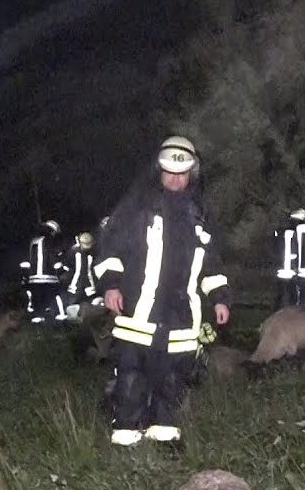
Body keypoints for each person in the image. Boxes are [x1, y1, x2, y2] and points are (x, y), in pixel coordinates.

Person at [94, 136, 231, 446]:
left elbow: (211, 265)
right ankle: (126, 433)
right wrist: (111, 285)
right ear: (158, 171)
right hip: (138, 311)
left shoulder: (201, 216)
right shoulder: (136, 208)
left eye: (181, 173)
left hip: (182, 316)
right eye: (169, 172)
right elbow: (110, 250)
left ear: (192, 175)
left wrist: (220, 298)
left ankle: (163, 430)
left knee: (171, 375)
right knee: (131, 374)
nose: (175, 179)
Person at [19, 219, 66, 323]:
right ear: (52, 231)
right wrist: (60, 270)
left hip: (34, 277)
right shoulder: (50, 242)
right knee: (55, 295)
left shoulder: (33, 242)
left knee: (38, 296)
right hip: (49, 276)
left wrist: (25, 275)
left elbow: (28, 259)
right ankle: (60, 314)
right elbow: (52, 257)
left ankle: (38, 315)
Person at [61, 231, 100, 318]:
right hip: (74, 285)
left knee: (89, 306)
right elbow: (67, 268)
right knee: (72, 305)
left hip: (88, 286)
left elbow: (92, 270)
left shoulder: (92, 254)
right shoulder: (73, 252)